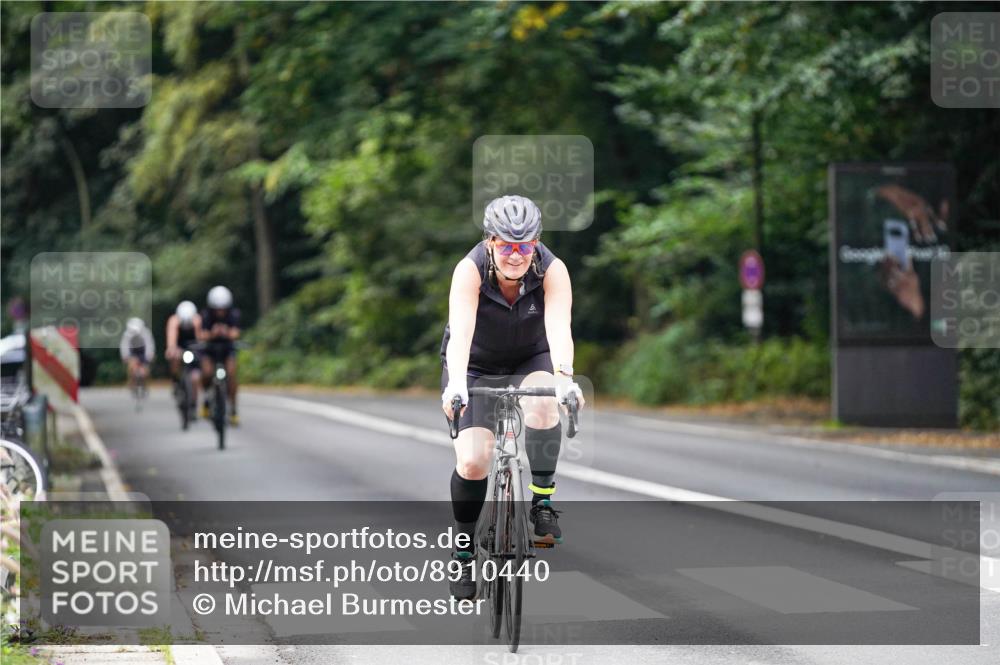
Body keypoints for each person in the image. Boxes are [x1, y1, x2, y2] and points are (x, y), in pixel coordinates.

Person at [440, 194, 584, 600]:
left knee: (543, 404)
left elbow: (559, 327)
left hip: (530, 356)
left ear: (536, 243)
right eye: (507, 244)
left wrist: (565, 379)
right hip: (475, 364)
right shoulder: (469, 271)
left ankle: (542, 500)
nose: (516, 255)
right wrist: (455, 385)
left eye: (525, 245)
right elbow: (461, 333)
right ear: (490, 241)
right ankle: (464, 550)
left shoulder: (553, 270)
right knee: (472, 461)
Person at [199, 286, 241, 425]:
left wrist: (226, 332)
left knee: (231, 375)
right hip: (210, 350)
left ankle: (233, 410)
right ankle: (206, 399)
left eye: (223, 308)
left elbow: (236, 333)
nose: (220, 312)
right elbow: (201, 335)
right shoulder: (205, 315)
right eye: (217, 309)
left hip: (227, 349)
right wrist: (213, 334)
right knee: (206, 373)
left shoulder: (233, 314)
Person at [165, 300, 203, 408]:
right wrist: (171, 349)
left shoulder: (197, 320)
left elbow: (200, 340)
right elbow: (171, 339)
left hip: (194, 347)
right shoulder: (173, 321)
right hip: (180, 346)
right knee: (174, 357)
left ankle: (193, 404)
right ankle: (176, 381)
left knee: (195, 378)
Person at [119, 317, 154, 391]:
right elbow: (124, 346)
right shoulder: (127, 334)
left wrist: (149, 356)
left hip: (143, 350)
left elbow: (149, 345)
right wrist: (125, 356)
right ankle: (131, 381)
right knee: (131, 366)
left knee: (145, 370)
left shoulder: (146, 333)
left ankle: (145, 383)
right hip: (133, 351)